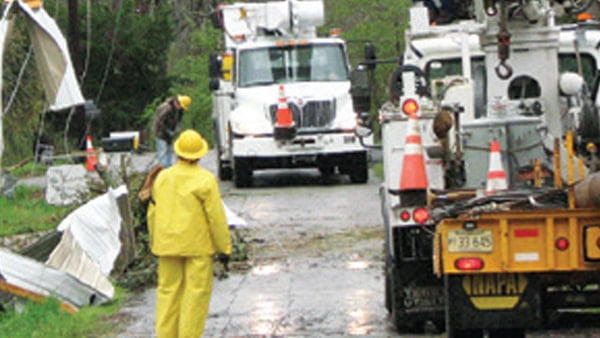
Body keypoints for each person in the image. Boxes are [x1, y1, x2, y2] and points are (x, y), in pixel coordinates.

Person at [147, 129, 231, 338]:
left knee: (168, 293)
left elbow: (153, 212)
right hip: (197, 247)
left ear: (177, 152)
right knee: (195, 295)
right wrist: (224, 248)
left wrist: (155, 241)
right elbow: (216, 218)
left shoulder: (163, 178)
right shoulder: (206, 180)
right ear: (200, 154)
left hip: (167, 245)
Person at [153, 94, 192, 167]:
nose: (181, 108)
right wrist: (167, 131)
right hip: (160, 133)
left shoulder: (180, 110)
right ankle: (163, 170)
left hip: (170, 133)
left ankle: (169, 168)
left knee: (170, 152)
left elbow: (178, 120)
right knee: (163, 152)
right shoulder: (166, 108)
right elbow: (159, 122)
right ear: (177, 103)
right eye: (181, 107)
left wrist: (177, 127)